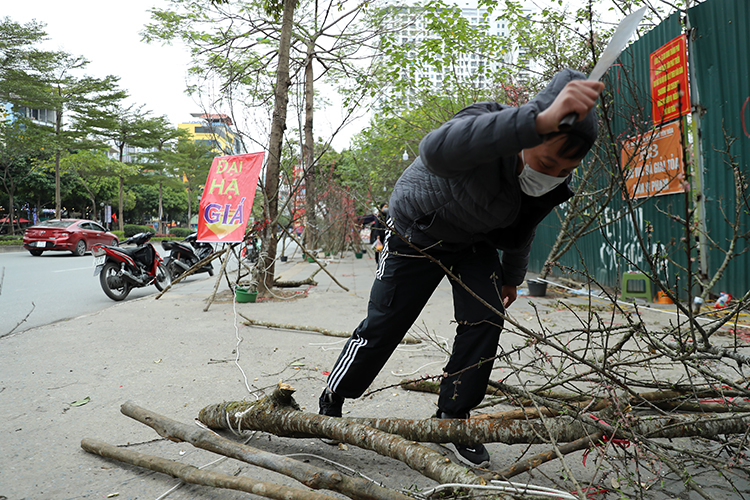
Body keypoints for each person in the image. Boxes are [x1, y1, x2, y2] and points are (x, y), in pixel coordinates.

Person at [319, 69, 603, 468]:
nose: (550, 175)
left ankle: (452, 418)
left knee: (487, 317)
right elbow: (435, 150)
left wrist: (511, 276)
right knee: (386, 324)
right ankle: (335, 394)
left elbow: (525, 226)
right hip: (415, 234)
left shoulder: (551, 182)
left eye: (563, 170)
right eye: (547, 161)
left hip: (474, 242)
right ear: (531, 133)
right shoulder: (490, 125)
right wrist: (533, 122)